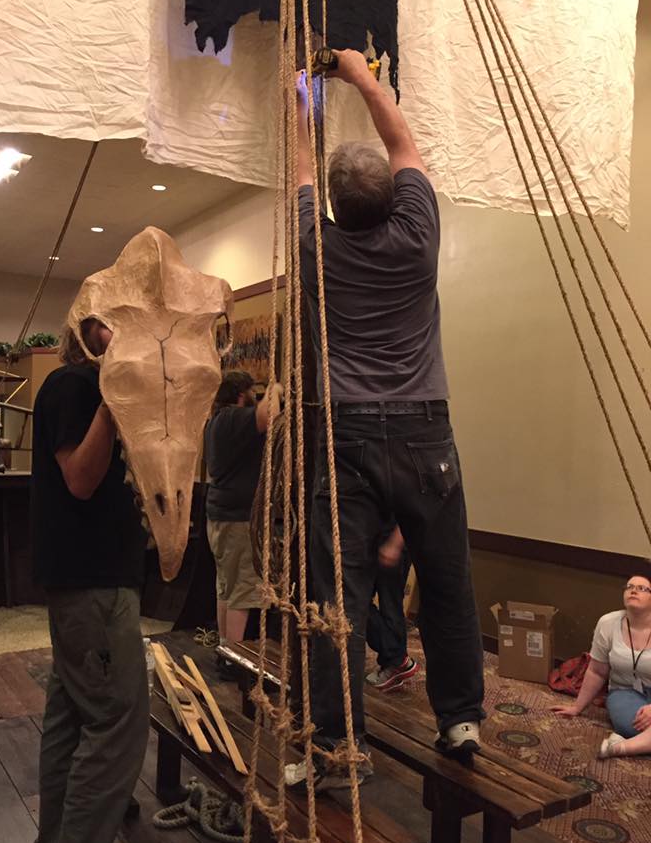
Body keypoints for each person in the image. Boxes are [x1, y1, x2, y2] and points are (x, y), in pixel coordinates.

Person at [295, 49, 485, 787]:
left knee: (335, 600)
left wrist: (301, 100)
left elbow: (301, 173)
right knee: (447, 579)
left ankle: (338, 745)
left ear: (338, 210)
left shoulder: (316, 248)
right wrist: (361, 76)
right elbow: (403, 144)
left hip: (347, 435)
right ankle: (460, 718)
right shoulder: (419, 235)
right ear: (394, 200)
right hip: (423, 432)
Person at [30, 318, 148, 843]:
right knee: (117, 725)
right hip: (94, 588)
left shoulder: (78, 387)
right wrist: (113, 393)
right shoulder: (75, 385)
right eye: (115, 319)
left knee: (73, 723)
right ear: (88, 326)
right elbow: (79, 478)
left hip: (87, 586)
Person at [204, 371, 282, 677]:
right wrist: (277, 387)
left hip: (221, 516)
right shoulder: (233, 419)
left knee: (226, 587)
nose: (256, 397)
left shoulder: (216, 421)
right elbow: (267, 414)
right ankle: (233, 660)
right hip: (237, 520)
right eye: (253, 392)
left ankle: (225, 651)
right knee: (241, 592)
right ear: (241, 394)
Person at [551, 574, 651, 758]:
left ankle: (619, 747)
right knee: (634, 725)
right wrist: (577, 707)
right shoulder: (608, 623)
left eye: (642, 588)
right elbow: (597, 671)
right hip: (625, 691)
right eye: (629, 587)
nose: (633, 591)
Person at [366, 525, 418, 692]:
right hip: (375, 539)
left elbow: (409, 511)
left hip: (393, 539)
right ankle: (394, 661)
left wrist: (395, 542)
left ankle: (395, 660)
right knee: (362, 602)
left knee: (389, 606)